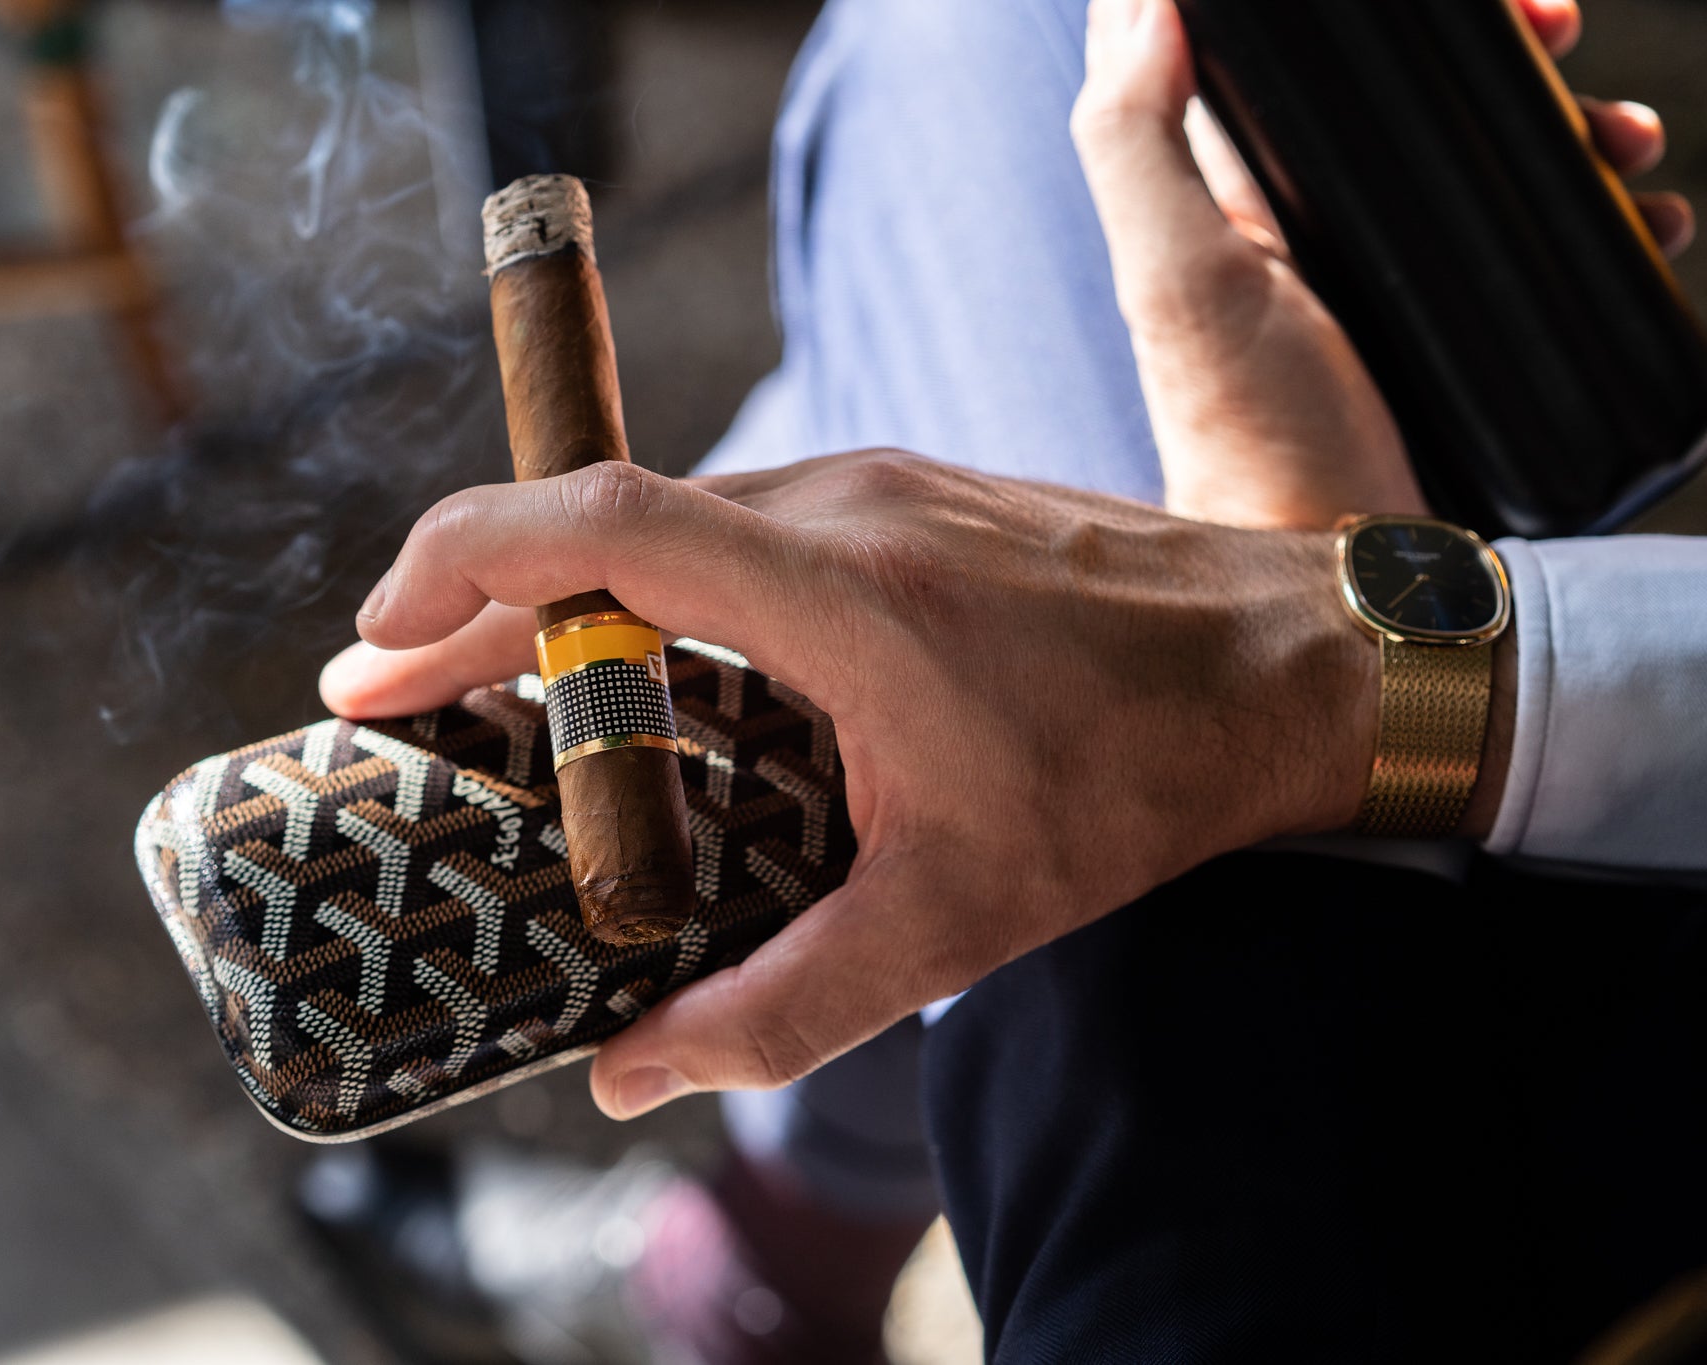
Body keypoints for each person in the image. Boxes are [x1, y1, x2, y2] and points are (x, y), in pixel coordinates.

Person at [323, 0, 1707, 1357]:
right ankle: (771, 1267)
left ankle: (761, 1281)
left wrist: (1310, 655)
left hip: (1346, 1135)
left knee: (951, 70)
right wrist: (1344, 585)